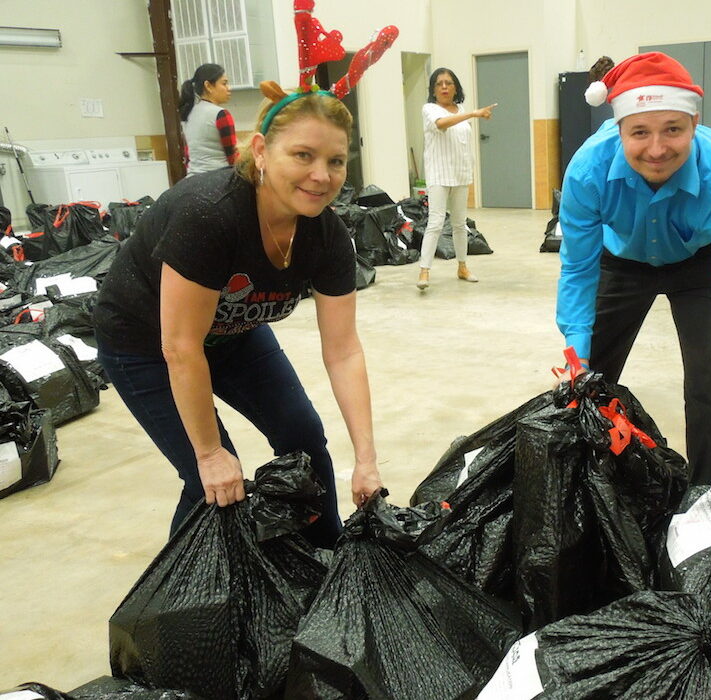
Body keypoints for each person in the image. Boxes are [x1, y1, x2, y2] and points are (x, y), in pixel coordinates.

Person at [93, 84, 383, 546]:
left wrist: (366, 458)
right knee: (212, 478)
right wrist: (209, 453)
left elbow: (344, 351)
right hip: (145, 344)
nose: (321, 176)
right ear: (262, 151)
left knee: (304, 436)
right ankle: (176, 607)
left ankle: (329, 560)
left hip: (234, 333)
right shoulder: (211, 215)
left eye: (335, 161)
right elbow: (180, 346)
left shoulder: (326, 236)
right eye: (303, 155)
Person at [556, 52, 711, 487]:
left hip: (698, 264)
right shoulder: (587, 172)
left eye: (673, 129)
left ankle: (706, 494)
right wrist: (577, 360)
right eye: (640, 132)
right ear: (619, 131)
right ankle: (587, 486)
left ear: (695, 124)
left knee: (709, 379)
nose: (656, 149)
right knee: (588, 382)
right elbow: (578, 271)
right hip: (623, 262)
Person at [416, 67, 496, 290]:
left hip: (460, 174)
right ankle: (424, 271)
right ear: (433, 88)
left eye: (448, 83)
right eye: (439, 83)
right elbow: (442, 124)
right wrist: (473, 114)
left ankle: (462, 267)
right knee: (435, 222)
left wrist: (469, 114)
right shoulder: (429, 109)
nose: (444, 87)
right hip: (439, 174)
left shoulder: (459, 108)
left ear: (455, 88)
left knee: (460, 224)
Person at [179, 63, 238, 175]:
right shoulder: (221, 114)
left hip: (191, 179)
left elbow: (188, 155)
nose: (228, 88)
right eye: (224, 83)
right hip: (219, 179)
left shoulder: (188, 113)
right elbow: (233, 157)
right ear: (208, 86)